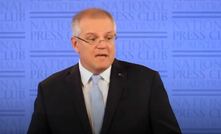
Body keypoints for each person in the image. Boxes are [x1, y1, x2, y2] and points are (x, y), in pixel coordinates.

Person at [28, 8, 181, 134]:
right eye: (92, 38)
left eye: (108, 38)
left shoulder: (146, 81)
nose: (103, 45)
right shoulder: (50, 89)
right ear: (75, 44)